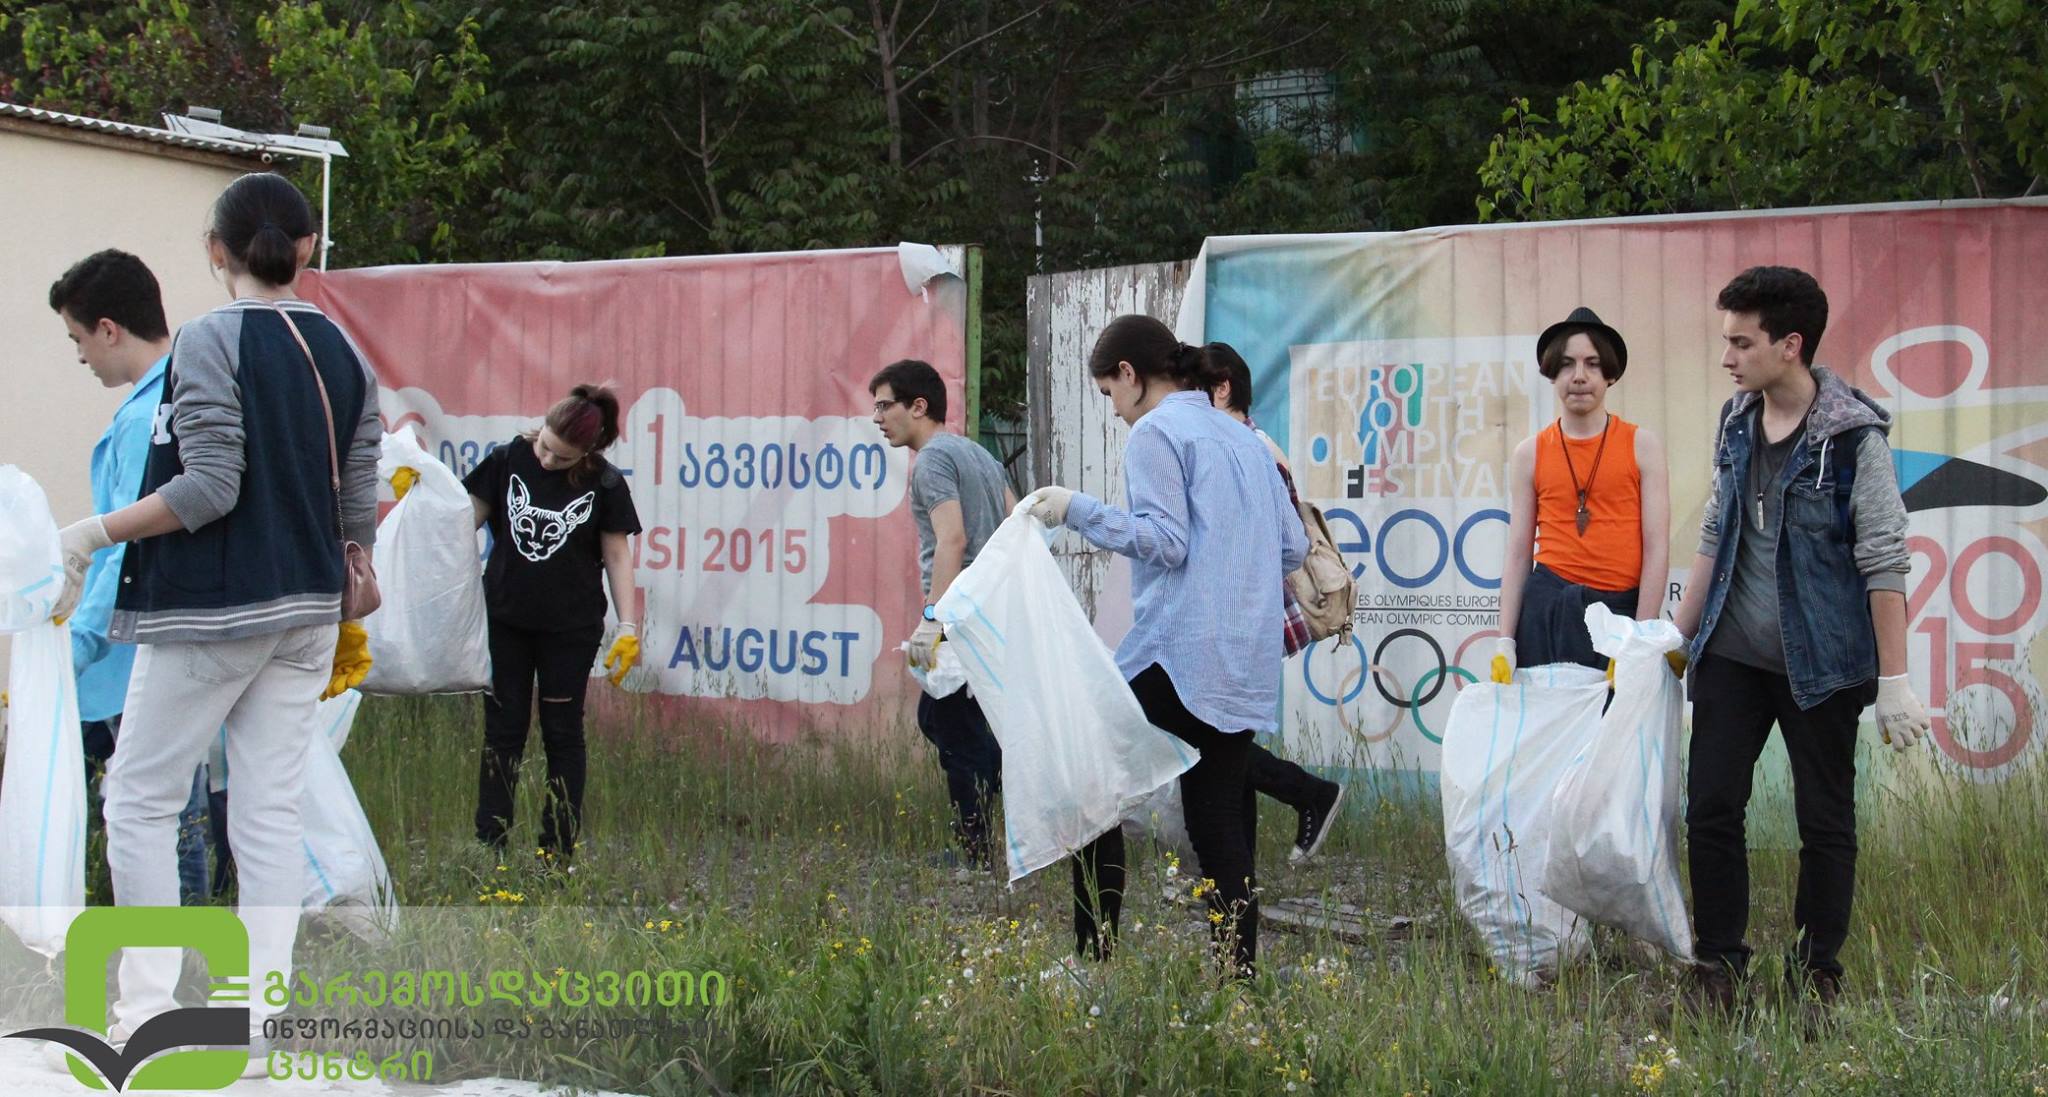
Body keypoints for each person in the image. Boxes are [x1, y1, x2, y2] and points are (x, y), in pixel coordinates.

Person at [48, 172, 381, 1068]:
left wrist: (91, 532)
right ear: (307, 247)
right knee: (268, 813)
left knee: (138, 798)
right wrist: (347, 595)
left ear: (214, 251)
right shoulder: (346, 351)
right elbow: (357, 500)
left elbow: (208, 486)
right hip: (309, 611)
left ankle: (148, 1010)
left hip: (214, 609)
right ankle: (260, 1020)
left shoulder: (208, 338)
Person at [1670, 266, 1929, 1018]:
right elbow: (1717, 527)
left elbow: (1883, 559)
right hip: (1732, 657)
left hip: (1822, 666)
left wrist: (1895, 680)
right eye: (1726, 341)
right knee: (1710, 807)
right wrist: (1675, 636)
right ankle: (1718, 968)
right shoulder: (1736, 420)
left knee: (1825, 821)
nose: (1727, 358)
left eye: (1741, 343)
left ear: (1790, 345)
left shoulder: (1852, 440)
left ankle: (1815, 977)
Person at [1023, 315, 1307, 977]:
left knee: (1089, 784)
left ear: (1129, 373)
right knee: (1219, 825)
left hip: (1177, 654)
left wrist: (1076, 509)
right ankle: (1237, 982)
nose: (1115, 410)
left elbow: (1166, 542)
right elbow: (1293, 547)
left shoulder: (1156, 432)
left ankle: (1093, 960)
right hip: (1243, 663)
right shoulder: (1245, 438)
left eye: (1108, 394)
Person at [46, 249, 214, 905]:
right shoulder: (187, 390)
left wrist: (79, 643)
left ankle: (175, 955)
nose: (80, 356)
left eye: (78, 339)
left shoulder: (149, 418)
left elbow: (124, 547)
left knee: (156, 817)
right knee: (180, 810)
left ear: (109, 329)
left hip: (134, 649)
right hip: (174, 632)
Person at [463, 384, 642, 865]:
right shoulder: (506, 460)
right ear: (539, 427)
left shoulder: (605, 484)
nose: (546, 460)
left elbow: (617, 555)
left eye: (561, 458)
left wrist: (628, 625)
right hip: (505, 622)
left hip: (570, 630)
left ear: (588, 452)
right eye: (544, 446)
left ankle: (556, 856)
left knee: (562, 736)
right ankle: (491, 848)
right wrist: (421, 501)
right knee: (503, 732)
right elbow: (461, 522)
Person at [1203, 343, 1345, 864]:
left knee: (1214, 740)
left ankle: (1309, 792)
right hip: (1245, 609)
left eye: (1194, 393)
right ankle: (1237, 869)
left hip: (1242, 610)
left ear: (1222, 389)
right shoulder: (1252, 443)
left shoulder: (1248, 447)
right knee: (1224, 736)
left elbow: (1280, 540)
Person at [870, 358, 1013, 871]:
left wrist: (933, 619)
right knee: (939, 718)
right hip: (989, 608)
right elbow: (1014, 518)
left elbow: (952, 539)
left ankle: (976, 855)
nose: (877, 418)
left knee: (954, 730)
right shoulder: (978, 454)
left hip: (960, 614)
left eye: (885, 405)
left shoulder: (931, 461)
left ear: (919, 406)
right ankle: (999, 796)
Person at [1492, 307, 1670, 681]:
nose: (1579, 376)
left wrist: (1639, 639)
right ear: (1551, 373)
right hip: (1546, 610)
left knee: (1615, 718)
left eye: (1592, 364)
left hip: (1618, 616)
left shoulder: (1642, 445)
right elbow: (1518, 552)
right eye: (1566, 364)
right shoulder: (1530, 453)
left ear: (1610, 374)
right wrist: (1505, 640)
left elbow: (1656, 548)